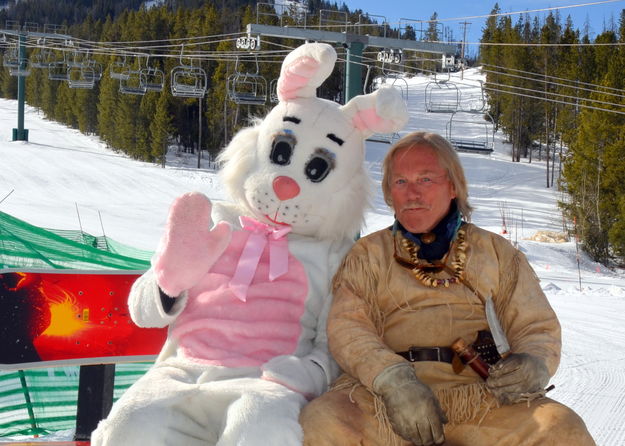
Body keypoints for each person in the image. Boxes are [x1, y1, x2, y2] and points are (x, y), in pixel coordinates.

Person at [300, 131, 596, 446]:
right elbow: (348, 328)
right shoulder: (368, 254)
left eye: (425, 180)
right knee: (324, 422)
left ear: (452, 186)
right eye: (400, 182)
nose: (411, 193)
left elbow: (535, 325)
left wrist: (534, 363)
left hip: (482, 401)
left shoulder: (495, 251)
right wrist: (392, 381)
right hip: (384, 400)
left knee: (562, 430)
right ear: (389, 193)